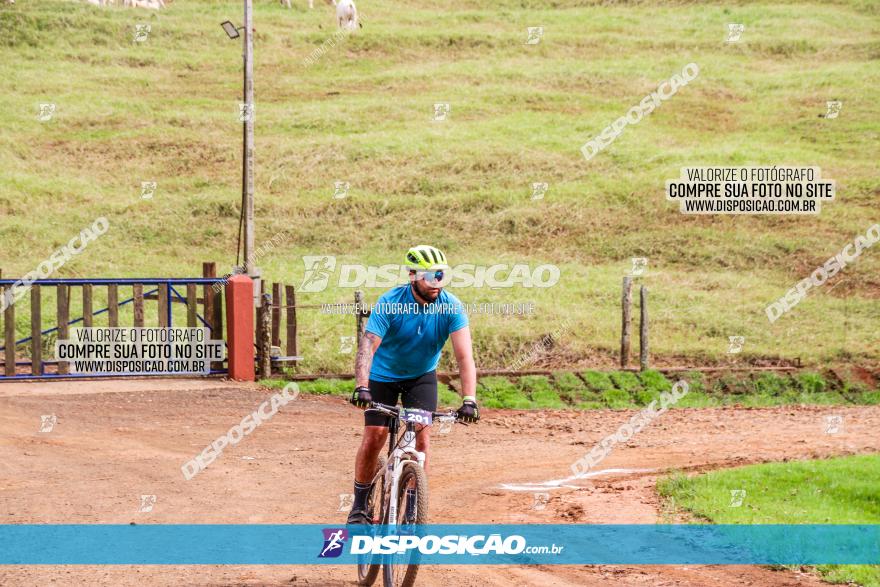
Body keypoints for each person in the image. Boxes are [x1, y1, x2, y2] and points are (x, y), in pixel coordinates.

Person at [346, 245, 479, 524]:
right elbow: (368, 346)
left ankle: (412, 510)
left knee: (422, 438)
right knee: (375, 436)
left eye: (441, 275)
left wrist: (469, 399)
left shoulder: (451, 307)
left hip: (421, 378)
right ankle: (359, 505)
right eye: (430, 276)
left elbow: (464, 356)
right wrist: (361, 385)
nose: (436, 283)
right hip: (382, 377)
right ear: (412, 276)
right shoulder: (391, 302)